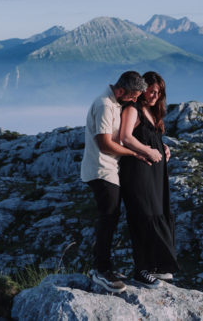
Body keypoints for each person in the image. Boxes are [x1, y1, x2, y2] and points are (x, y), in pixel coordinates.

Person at [80, 71, 154, 293]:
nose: (134, 101)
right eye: (133, 96)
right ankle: (101, 269)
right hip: (101, 169)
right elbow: (104, 144)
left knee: (111, 217)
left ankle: (102, 267)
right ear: (121, 90)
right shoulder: (104, 105)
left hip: (110, 169)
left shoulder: (115, 102)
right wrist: (135, 154)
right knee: (109, 216)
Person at [117, 70, 177, 288]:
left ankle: (154, 267)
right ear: (142, 90)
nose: (154, 96)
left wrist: (163, 147)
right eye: (151, 91)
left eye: (158, 92)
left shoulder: (152, 112)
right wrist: (149, 151)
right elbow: (125, 137)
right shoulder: (133, 110)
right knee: (143, 216)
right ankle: (141, 270)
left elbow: (150, 137)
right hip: (137, 172)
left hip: (154, 174)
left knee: (157, 213)